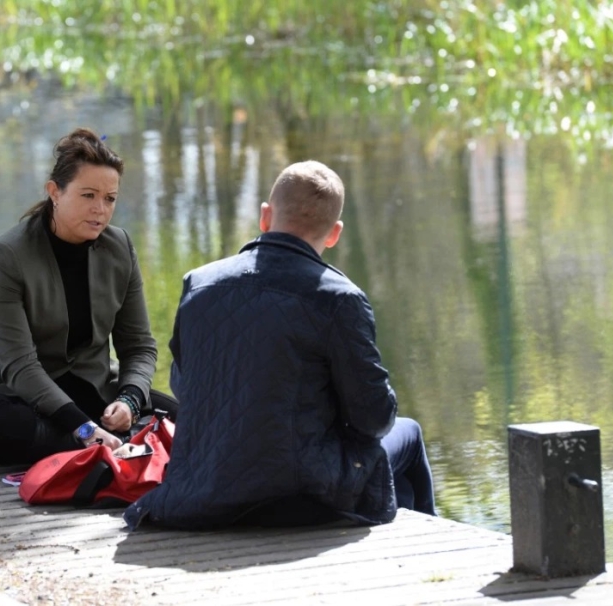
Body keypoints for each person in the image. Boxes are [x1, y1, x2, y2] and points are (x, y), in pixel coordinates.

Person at [124, 160, 435, 530]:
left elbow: (185, 386)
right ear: (334, 234)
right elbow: (375, 418)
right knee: (408, 433)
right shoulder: (340, 298)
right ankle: (427, 554)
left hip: (202, 489)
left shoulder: (199, 283)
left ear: (265, 216)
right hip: (297, 495)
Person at [0, 127, 177, 465]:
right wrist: (84, 428)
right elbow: (19, 365)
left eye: (110, 198)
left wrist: (130, 400)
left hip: (92, 390)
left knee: (193, 418)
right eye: (88, 195)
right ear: (54, 192)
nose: (100, 209)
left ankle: (101, 441)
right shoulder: (4, 258)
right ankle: (98, 443)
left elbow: (138, 345)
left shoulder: (120, 247)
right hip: (17, 396)